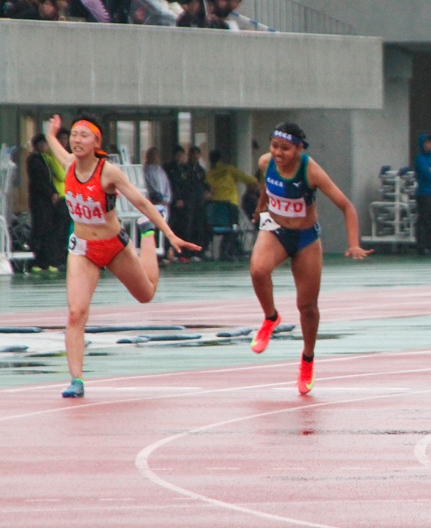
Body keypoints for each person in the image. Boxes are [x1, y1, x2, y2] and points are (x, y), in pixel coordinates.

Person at [44, 114, 199, 397]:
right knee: (76, 313)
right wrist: (52, 132)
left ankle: (148, 235)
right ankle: (76, 380)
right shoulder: (68, 165)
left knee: (146, 294)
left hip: (114, 246)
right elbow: (53, 144)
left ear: (96, 142)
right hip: (82, 250)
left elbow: (142, 202)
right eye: (74, 135)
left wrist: (170, 234)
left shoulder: (109, 173)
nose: (76, 140)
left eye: (83, 135)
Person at [248, 123, 372, 394]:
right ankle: (271, 317)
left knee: (307, 306)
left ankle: (307, 358)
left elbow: (347, 207)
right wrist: (260, 207)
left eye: (285, 149)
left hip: (306, 238)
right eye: (275, 146)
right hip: (276, 231)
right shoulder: (265, 162)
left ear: (299, 148)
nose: (278, 153)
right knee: (258, 270)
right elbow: (267, 187)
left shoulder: (310, 170)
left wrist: (353, 244)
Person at [205, 149, 258, 260]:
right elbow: (247, 179)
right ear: (220, 159)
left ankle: (219, 251)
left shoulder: (209, 175)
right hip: (231, 205)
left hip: (216, 208)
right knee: (233, 228)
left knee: (220, 228)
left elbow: (207, 189)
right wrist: (256, 183)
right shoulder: (228, 169)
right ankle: (227, 250)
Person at [26, 133, 62, 271]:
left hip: (46, 200)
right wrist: (51, 193)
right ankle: (37, 261)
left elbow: (49, 179)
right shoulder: (34, 160)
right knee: (40, 229)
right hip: (40, 200)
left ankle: (47, 260)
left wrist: (54, 192)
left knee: (48, 229)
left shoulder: (45, 159)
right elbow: (39, 181)